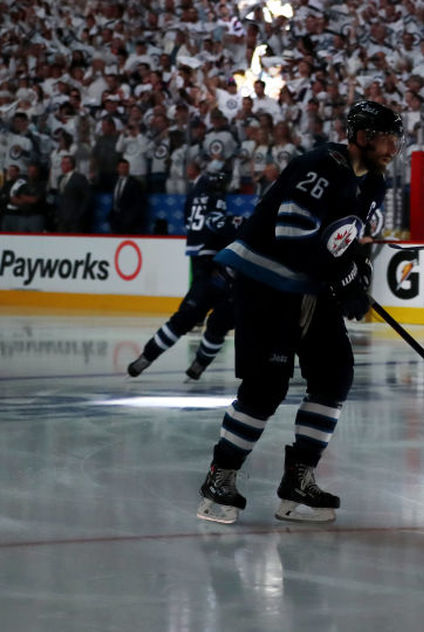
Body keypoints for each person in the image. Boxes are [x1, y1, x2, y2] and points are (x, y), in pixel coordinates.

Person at [195, 101, 402, 524]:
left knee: (335, 374)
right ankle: (220, 478)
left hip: (311, 284)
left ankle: (298, 481)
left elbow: (346, 240)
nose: (393, 146)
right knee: (266, 386)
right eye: (385, 136)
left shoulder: (374, 182)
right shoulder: (321, 165)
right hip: (266, 282)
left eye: (397, 137)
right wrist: (344, 276)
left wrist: (356, 274)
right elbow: (291, 234)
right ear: (361, 136)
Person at [127, 163, 241, 380]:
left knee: (186, 317)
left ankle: (148, 356)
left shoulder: (194, 195)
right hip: (216, 264)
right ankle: (199, 363)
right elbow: (218, 225)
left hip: (200, 259)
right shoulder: (217, 201)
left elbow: (191, 221)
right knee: (220, 322)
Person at [53, 155, 92, 233]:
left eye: (64, 163)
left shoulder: (79, 178)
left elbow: (87, 198)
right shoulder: (60, 178)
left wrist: (79, 215)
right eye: (62, 163)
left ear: (70, 165)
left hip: (75, 219)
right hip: (62, 218)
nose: (62, 165)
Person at [108, 159, 146, 234]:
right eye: (122, 167)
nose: (124, 170)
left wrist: (131, 218)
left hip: (128, 220)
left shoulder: (135, 183)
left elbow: (139, 203)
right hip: (115, 218)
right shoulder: (114, 181)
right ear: (117, 168)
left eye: (126, 167)